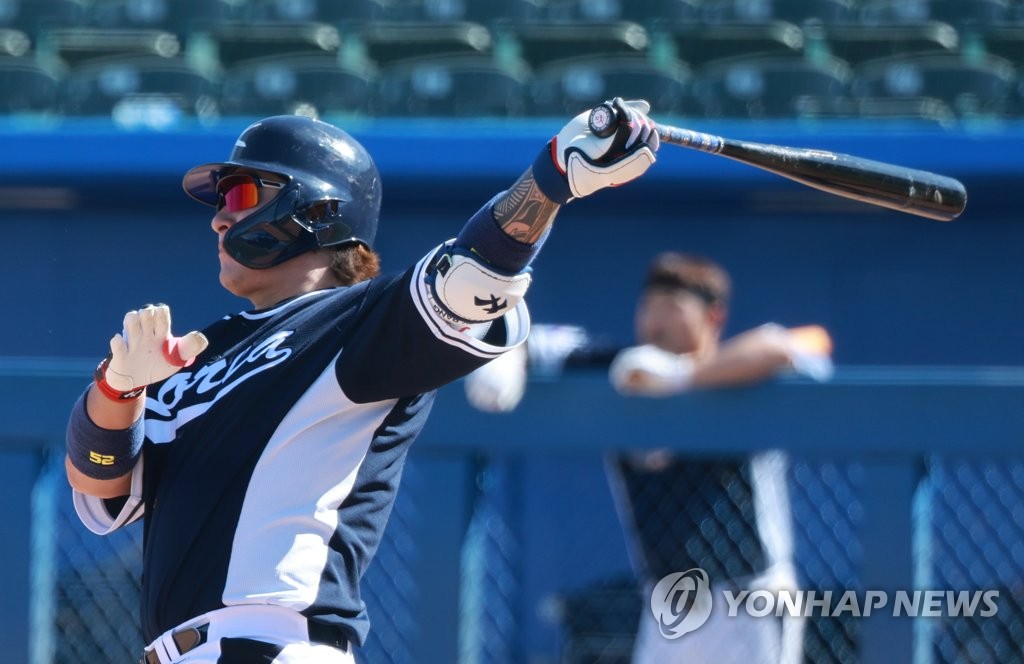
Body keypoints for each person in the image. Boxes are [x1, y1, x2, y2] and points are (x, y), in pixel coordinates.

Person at [63, 100, 660, 664]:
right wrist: (118, 389)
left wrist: (552, 175)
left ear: (318, 208)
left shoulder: (357, 320)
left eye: (242, 193)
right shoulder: (199, 350)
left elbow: (470, 277)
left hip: (272, 642)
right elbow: (101, 493)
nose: (220, 217)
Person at [464, 251, 834, 664]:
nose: (655, 322)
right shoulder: (622, 369)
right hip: (668, 602)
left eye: (673, 308)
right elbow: (537, 341)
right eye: (648, 307)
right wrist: (503, 359)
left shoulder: (737, 373)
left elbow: (794, 344)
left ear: (713, 317)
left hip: (748, 599)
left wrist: (680, 379)